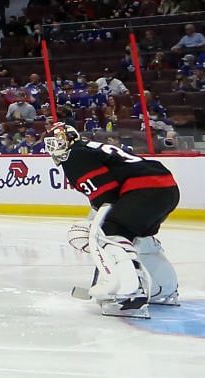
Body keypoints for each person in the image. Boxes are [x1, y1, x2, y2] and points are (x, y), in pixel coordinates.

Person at [46, 121, 179, 316]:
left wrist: (99, 229)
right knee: (139, 238)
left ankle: (128, 294)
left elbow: (107, 196)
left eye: (57, 139)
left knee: (108, 235)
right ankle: (163, 290)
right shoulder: (90, 148)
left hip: (143, 188)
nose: (53, 145)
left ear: (70, 138)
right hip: (166, 187)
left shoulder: (74, 155)